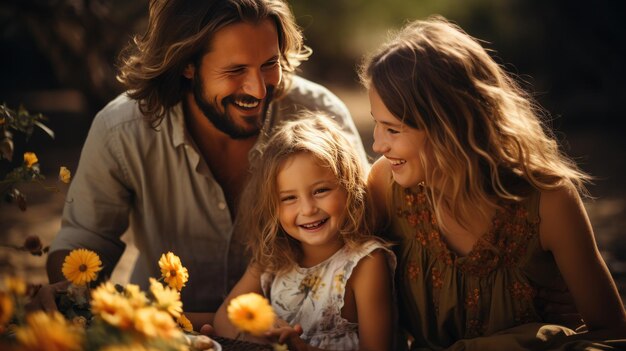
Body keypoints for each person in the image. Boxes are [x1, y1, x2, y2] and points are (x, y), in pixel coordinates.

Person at [35, 0, 368, 329]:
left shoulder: (322, 118)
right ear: (187, 65)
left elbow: (367, 231)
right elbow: (85, 240)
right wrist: (68, 296)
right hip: (164, 334)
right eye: (235, 70)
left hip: (296, 336)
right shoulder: (120, 130)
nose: (257, 88)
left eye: (269, 63)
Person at [359, 15, 626, 350]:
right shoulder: (386, 185)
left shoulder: (548, 201)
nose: (378, 145)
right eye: (377, 125)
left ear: (450, 126)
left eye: (393, 130)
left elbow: (612, 333)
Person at [213, 114, 396, 350]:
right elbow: (224, 317)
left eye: (320, 191)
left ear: (349, 187)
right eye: (289, 198)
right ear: (272, 207)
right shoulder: (272, 259)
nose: (308, 209)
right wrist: (259, 332)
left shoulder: (365, 263)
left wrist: (299, 347)